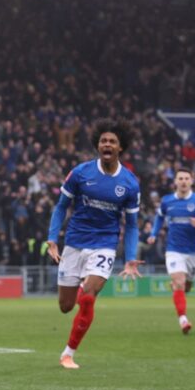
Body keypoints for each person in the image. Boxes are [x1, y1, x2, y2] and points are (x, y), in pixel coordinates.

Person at [47, 119, 142, 370]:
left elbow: (131, 225)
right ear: (97, 145)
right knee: (66, 307)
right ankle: (80, 292)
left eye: (112, 141)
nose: (107, 144)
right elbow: (61, 208)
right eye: (103, 141)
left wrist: (131, 257)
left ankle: (68, 354)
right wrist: (52, 239)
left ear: (120, 147)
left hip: (105, 243)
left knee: (89, 296)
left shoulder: (130, 183)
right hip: (75, 242)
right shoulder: (80, 173)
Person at [147, 168, 195, 334]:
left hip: (192, 251)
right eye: (180, 179)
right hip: (173, 249)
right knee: (179, 282)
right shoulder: (167, 201)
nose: (183, 181)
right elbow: (159, 217)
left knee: (186, 286)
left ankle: (178, 288)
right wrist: (153, 234)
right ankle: (183, 319)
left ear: (191, 181)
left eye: (186, 178)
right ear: (175, 182)